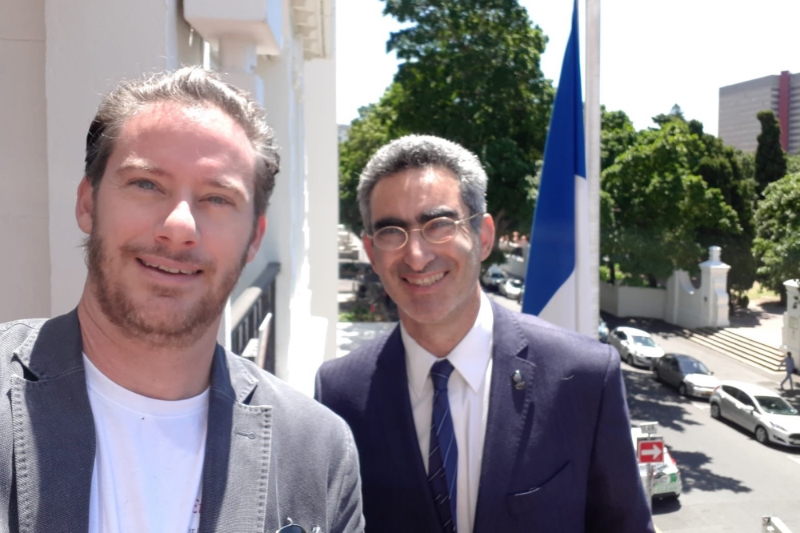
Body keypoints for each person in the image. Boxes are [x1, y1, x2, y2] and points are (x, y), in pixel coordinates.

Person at [0, 68, 363, 533]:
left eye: (216, 198)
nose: (180, 226)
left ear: (254, 238)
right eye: (147, 184)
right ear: (88, 204)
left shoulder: (319, 452)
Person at [315, 135, 653, 533]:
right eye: (392, 232)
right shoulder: (338, 392)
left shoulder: (584, 376)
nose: (417, 255)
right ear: (372, 252)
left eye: (438, 224)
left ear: (484, 236)